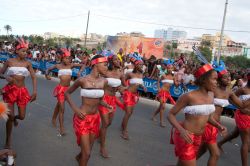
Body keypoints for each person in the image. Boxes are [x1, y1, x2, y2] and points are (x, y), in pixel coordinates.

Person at [167, 64, 226, 166]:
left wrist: (218, 126)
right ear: (204, 80)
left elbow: (208, 117)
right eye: (214, 79)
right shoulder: (189, 96)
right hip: (186, 137)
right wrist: (181, 130)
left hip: (198, 138)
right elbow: (170, 114)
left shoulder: (211, 96)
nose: (217, 82)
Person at [65, 55, 113, 166]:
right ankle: (82, 157)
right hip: (83, 118)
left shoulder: (104, 82)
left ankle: (79, 157)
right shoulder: (82, 80)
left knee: (87, 152)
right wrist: (76, 109)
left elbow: (99, 100)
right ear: (96, 64)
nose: (107, 67)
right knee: (87, 154)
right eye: (105, 65)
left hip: (95, 119)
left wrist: (107, 105)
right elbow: (67, 93)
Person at [197, 68, 250, 166]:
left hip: (215, 125)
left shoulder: (229, 92)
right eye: (225, 77)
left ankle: (187, 162)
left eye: (229, 77)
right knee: (215, 154)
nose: (229, 79)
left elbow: (242, 105)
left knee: (203, 150)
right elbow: (205, 108)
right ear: (219, 79)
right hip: (208, 123)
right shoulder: (212, 90)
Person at [0, 38, 37, 148]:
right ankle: (8, 140)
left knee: (21, 116)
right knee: (9, 116)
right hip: (10, 90)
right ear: (17, 51)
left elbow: (34, 77)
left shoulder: (28, 63)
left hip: (22, 92)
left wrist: (35, 91)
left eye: (26, 51)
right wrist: (6, 76)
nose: (25, 53)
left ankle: (15, 119)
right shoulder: (9, 61)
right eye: (23, 51)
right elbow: (0, 73)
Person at [45, 48, 82, 136]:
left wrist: (80, 72)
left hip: (68, 90)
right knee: (62, 108)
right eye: (66, 58)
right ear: (62, 58)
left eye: (69, 58)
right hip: (61, 89)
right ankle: (62, 128)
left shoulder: (71, 65)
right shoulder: (58, 66)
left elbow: (82, 65)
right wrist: (47, 76)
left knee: (59, 105)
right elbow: (48, 69)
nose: (68, 60)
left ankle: (54, 118)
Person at [98, 55, 125, 158]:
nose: (118, 61)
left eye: (119, 59)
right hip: (104, 98)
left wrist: (124, 91)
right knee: (105, 123)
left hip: (113, 100)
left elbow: (122, 85)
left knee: (109, 123)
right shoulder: (105, 72)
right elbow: (98, 81)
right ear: (111, 61)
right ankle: (102, 148)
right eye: (115, 59)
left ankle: (99, 134)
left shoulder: (120, 73)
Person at [121, 55, 147, 140]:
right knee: (128, 113)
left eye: (142, 65)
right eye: (140, 64)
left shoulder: (141, 74)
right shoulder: (130, 73)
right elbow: (123, 79)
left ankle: (123, 125)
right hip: (128, 94)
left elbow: (141, 83)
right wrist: (125, 87)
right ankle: (124, 131)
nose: (141, 66)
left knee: (130, 113)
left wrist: (143, 87)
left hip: (135, 95)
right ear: (136, 65)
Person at [152, 60, 176, 127]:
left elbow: (176, 84)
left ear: (172, 69)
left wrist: (178, 83)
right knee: (163, 106)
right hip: (162, 92)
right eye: (168, 68)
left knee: (161, 107)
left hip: (167, 93)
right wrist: (159, 88)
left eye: (171, 68)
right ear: (167, 69)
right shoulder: (163, 75)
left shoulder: (173, 77)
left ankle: (153, 115)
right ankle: (161, 122)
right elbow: (158, 81)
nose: (170, 69)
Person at [233, 73, 250, 166]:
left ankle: (220, 143)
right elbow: (231, 97)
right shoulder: (243, 89)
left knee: (235, 135)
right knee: (245, 142)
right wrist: (239, 106)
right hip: (243, 116)